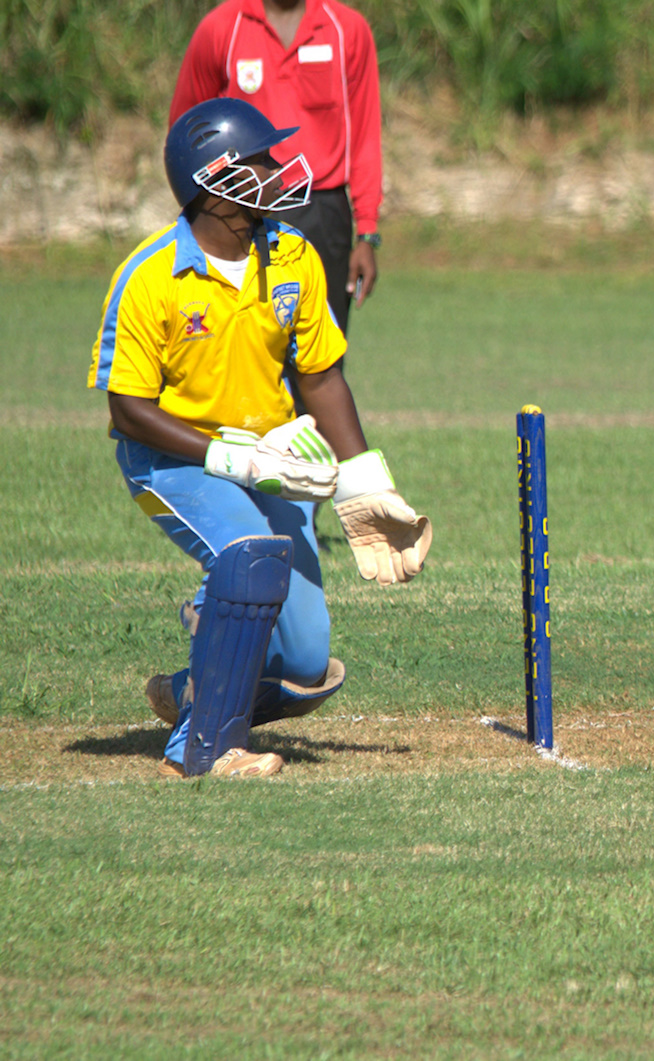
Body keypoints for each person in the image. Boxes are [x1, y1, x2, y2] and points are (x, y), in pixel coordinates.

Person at [90, 98, 431, 778]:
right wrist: (229, 456)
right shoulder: (150, 275)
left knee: (307, 667)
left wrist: (363, 479)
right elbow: (128, 408)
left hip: (271, 459)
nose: (280, 172)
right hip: (174, 461)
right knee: (249, 553)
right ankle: (203, 748)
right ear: (214, 183)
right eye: (262, 162)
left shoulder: (295, 256)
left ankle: (200, 677)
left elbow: (322, 377)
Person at [170, 0, 382, 336]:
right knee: (244, 344)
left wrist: (367, 233)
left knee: (319, 357)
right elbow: (186, 135)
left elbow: (366, 135)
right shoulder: (221, 28)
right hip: (241, 210)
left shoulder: (347, 29)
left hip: (322, 212)